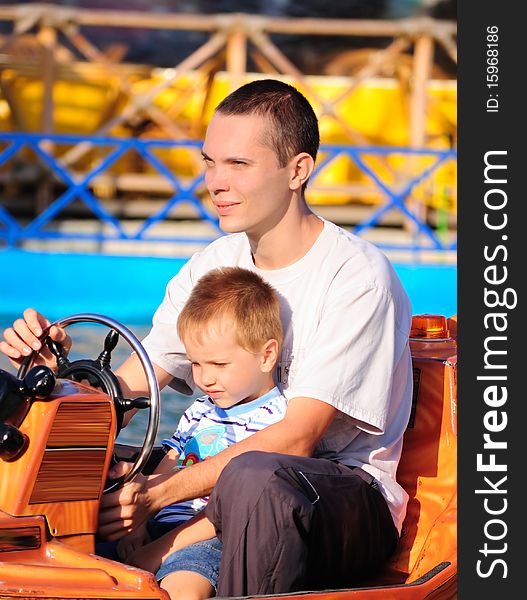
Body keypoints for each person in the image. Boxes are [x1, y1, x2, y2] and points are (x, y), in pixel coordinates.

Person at [1, 78, 413, 596]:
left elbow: (299, 438)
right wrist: (59, 375)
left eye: (238, 164)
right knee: (66, 450)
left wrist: (158, 494)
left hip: (338, 498)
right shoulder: (215, 265)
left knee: (257, 479)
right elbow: (133, 390)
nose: (215, 182)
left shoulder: (355, 276)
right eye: (209, 163)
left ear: (298, 170)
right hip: (232, 482)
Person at [115, 266, 287, 599]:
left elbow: (229, 511)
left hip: (210, 537)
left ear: (266, 356)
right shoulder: (202, 409)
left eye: (219, 365)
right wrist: (137, 520)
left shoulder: (275, 420)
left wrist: (158, 551)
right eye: (196, 363)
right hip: (163, 524)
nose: (204, 378)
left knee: (183, 586)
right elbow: (170, 464)